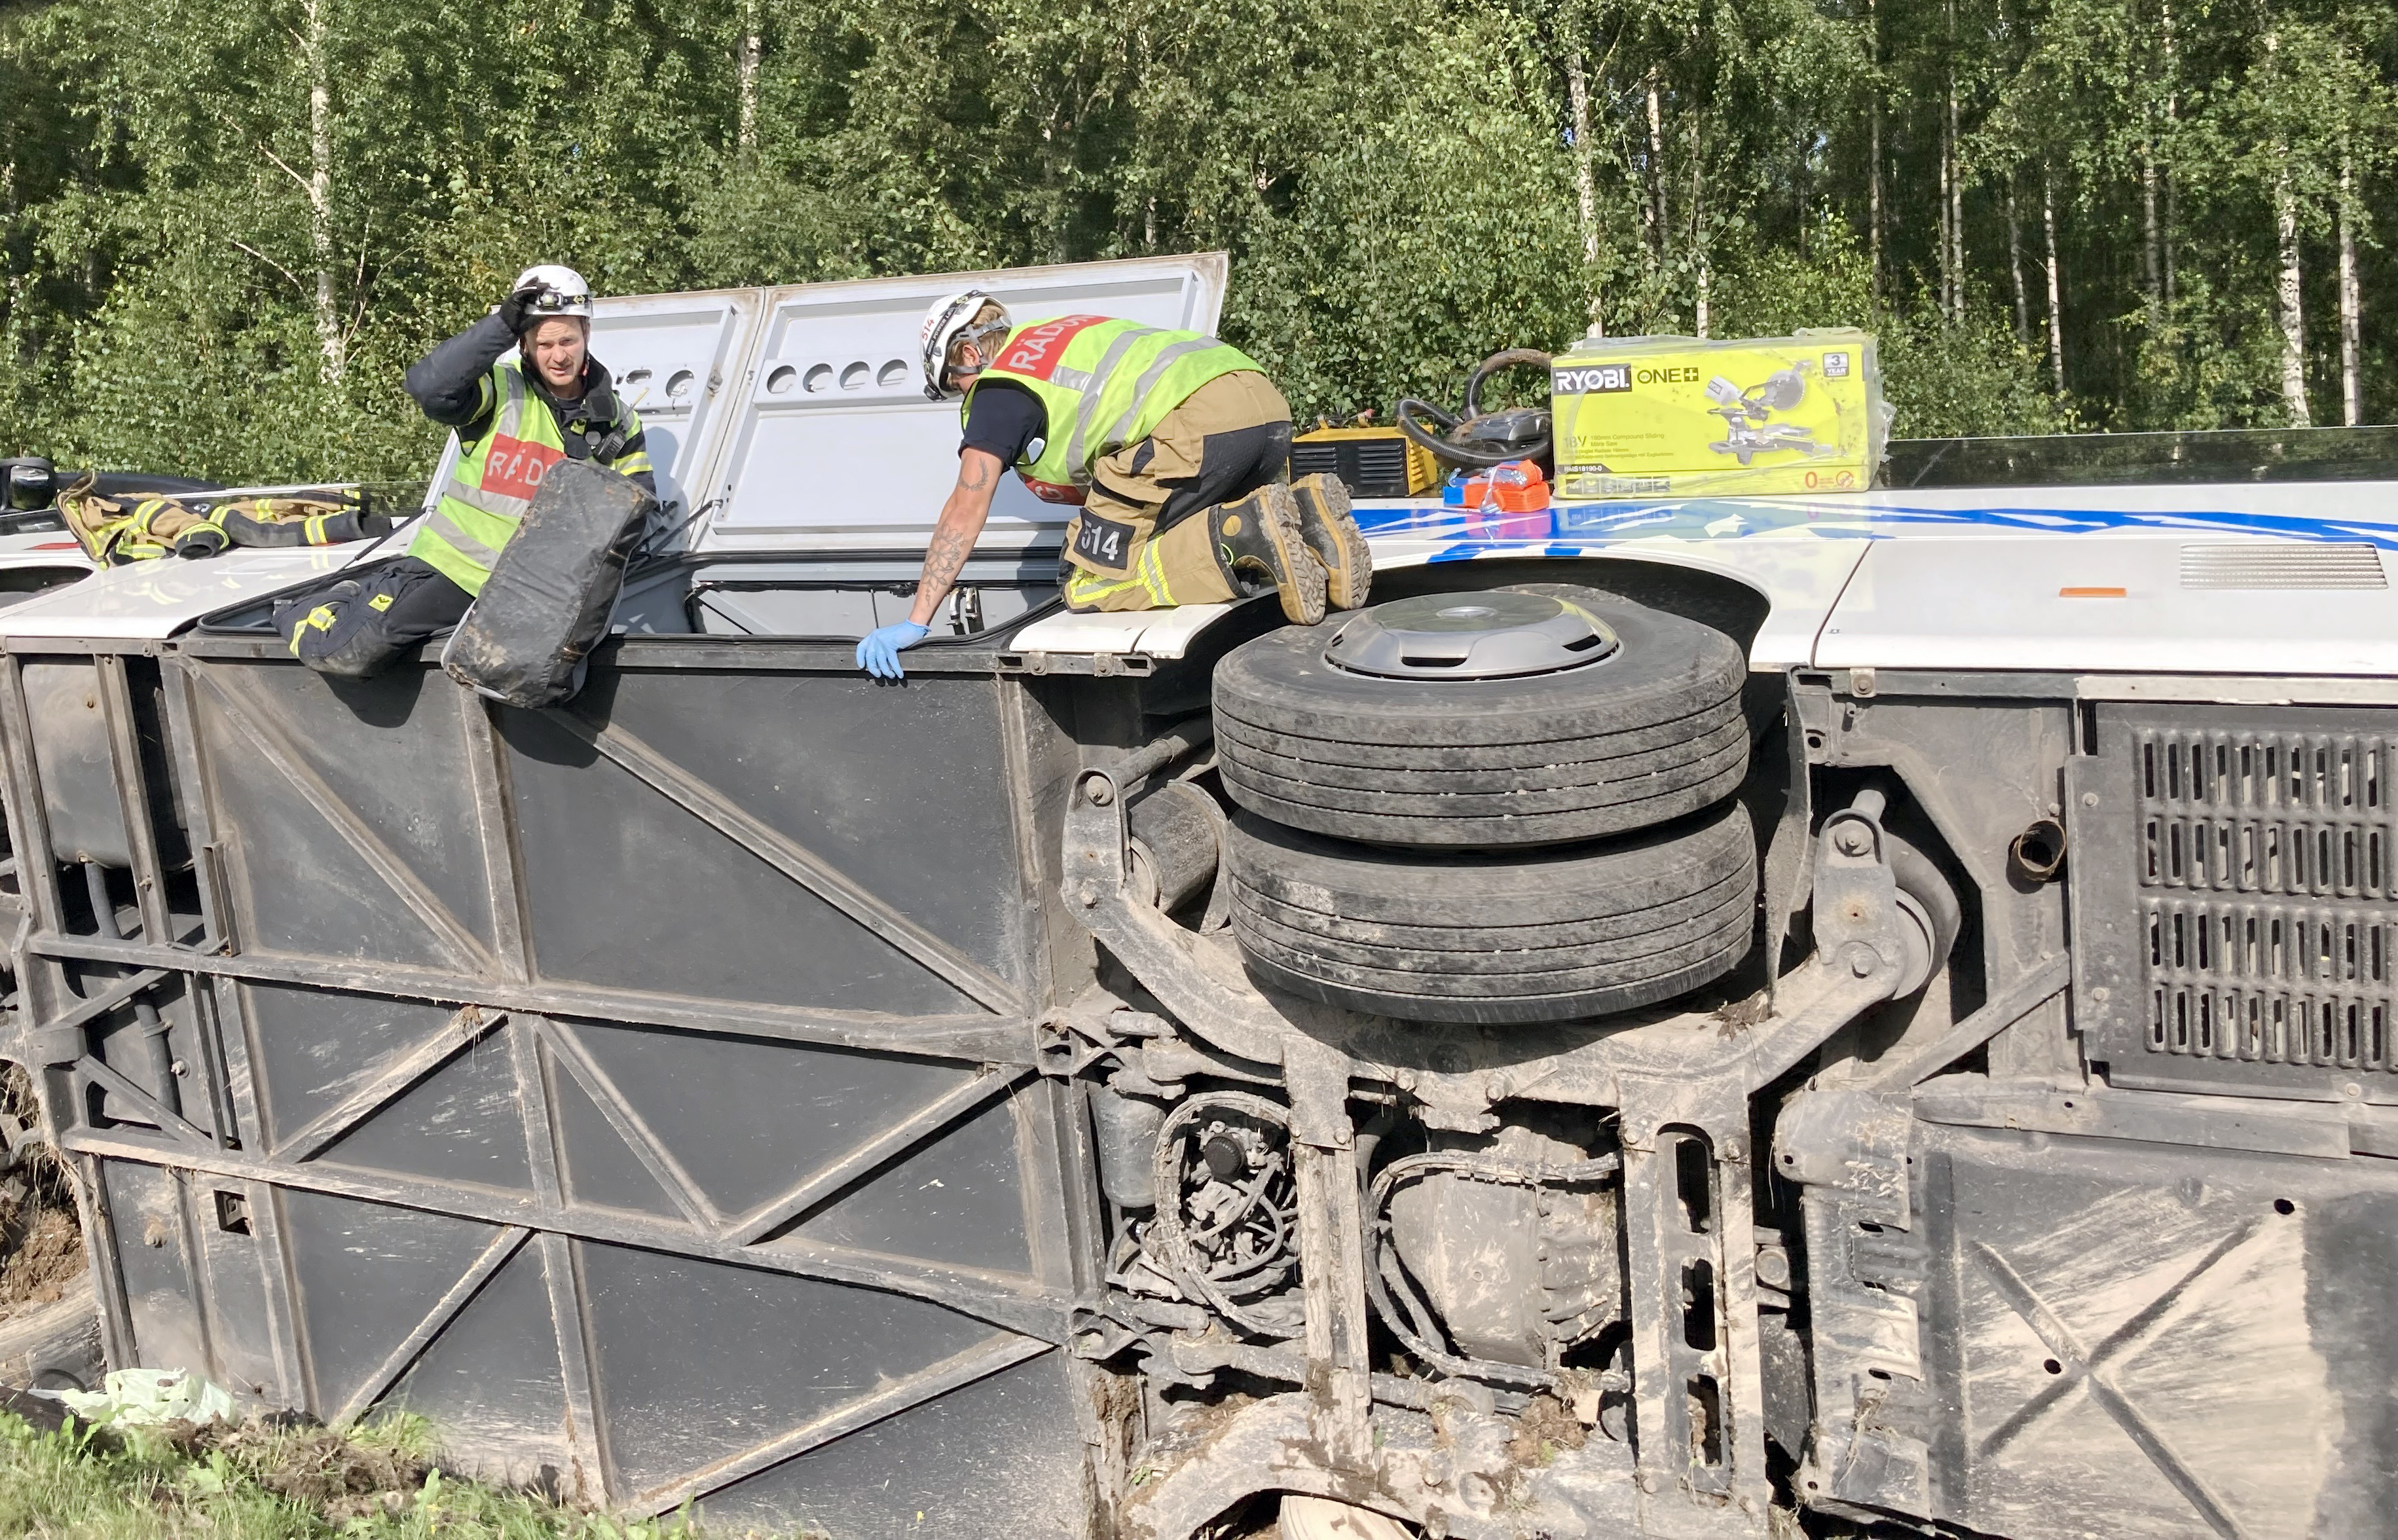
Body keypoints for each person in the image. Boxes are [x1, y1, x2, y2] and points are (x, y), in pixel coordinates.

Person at [854, 291, 1371, 679]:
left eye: (953, 383)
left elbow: (966, 505)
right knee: (1190, 530)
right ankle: (1310, 521)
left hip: (1193, 424)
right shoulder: (1056, 335)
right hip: (1262, 404)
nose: (962, 396)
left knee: (1092, 582)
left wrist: (919, 618)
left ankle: (1244, 538)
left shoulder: (1001, 387)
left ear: (966, 355)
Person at [281, 265, 656, 671]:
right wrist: (503, 324)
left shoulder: (618, 420)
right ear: (525, 345)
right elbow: (429, 387)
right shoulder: (499, 388)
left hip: (536, 595)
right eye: (544, 343)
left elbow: (640, 512)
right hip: (455, 572)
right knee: (346, 656)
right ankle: (316, 604)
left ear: (587, 334)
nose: (559, 355)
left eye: (568, 340)